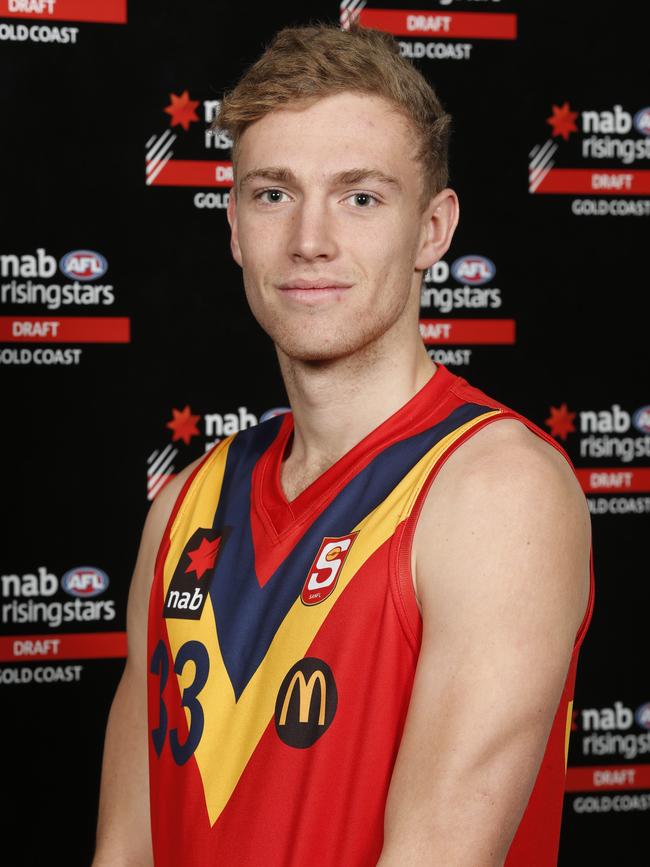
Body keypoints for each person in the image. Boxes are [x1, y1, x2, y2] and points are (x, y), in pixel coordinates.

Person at [93, 19, 594, 867]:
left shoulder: (496, 491)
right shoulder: (186, 505)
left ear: (433, 230)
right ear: (234, 226)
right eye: (273, 193)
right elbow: (125, 851)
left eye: (361, 196)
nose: (309, 239)